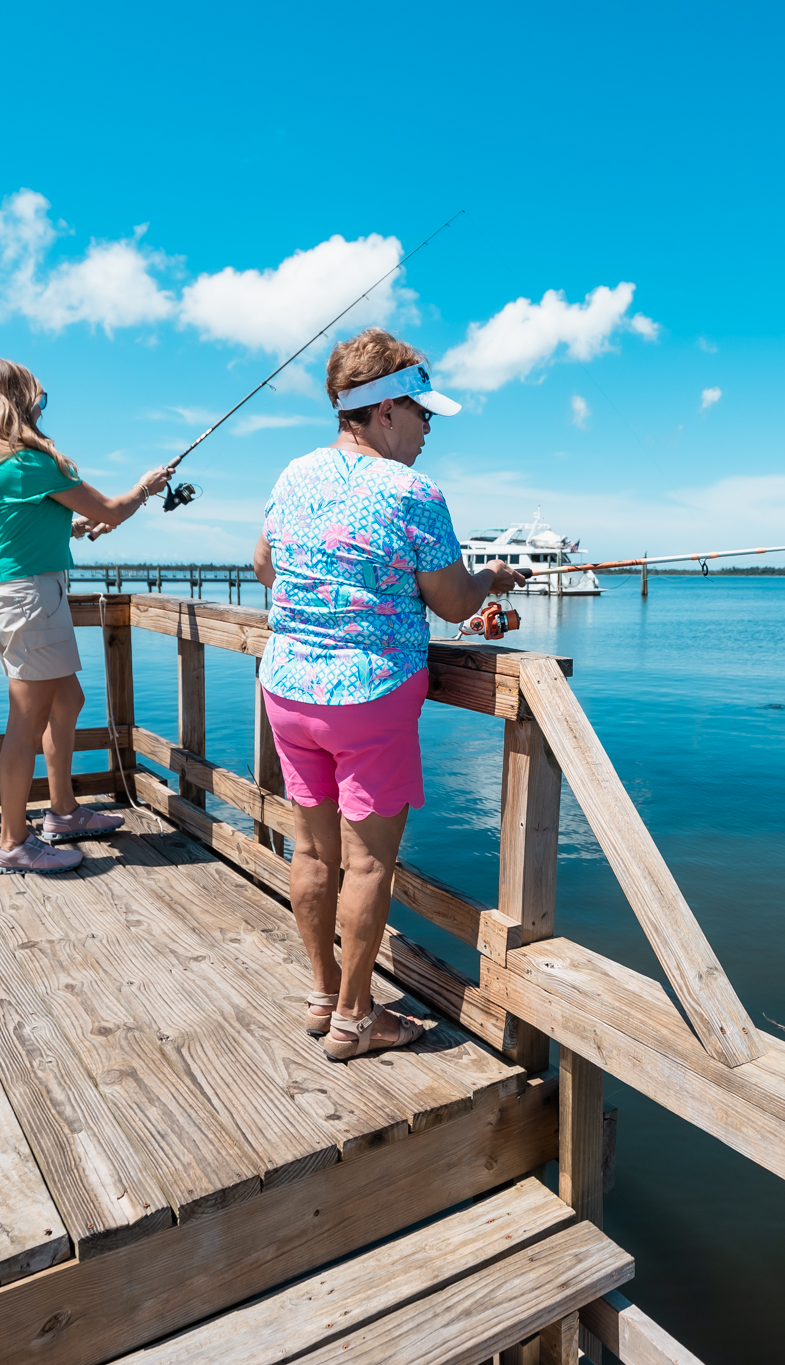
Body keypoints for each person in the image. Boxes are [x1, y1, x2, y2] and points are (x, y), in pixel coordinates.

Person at [253, 329, 524, 1060]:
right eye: (421, 411)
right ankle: (354, 1019)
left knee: (310, 852)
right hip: (370, 696)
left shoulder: (293, 475)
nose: (430, 426)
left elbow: (264, 565)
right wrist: (492, 579)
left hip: (287, 686)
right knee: (367, 864)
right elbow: (451, 599)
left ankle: (321, 993)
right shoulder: (415, 494)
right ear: (381, 412)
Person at [0, 357, 173, 874]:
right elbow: (113, 509)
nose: (42, 409)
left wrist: (70, 530)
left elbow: (13, 528)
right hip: (31, 600)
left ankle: (64, 812)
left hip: (12, 596)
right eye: (38, 399)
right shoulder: (29, 461)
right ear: (14, 402)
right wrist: (144, 488)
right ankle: (12, 843)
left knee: (68, 698)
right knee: (24, 725)